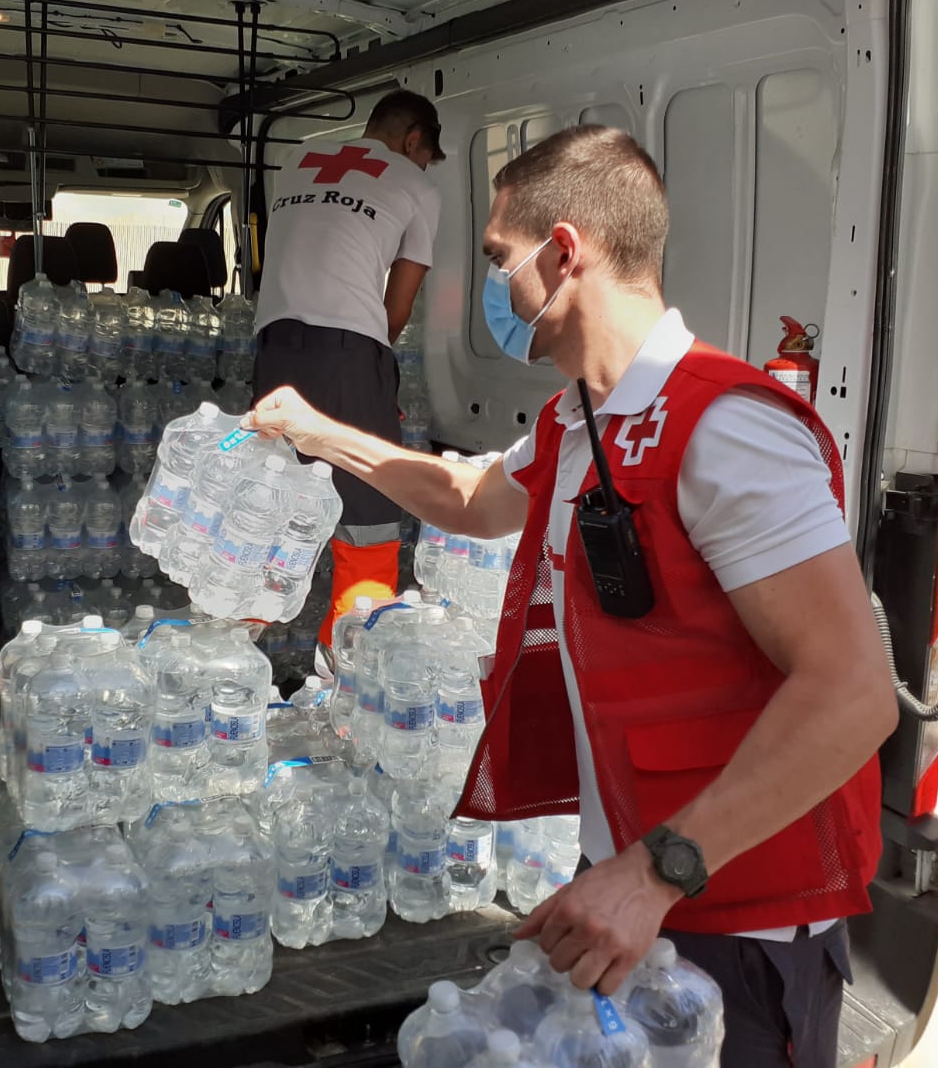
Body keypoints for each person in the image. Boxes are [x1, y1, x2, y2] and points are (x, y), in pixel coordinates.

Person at [244, 125, 896, 1067]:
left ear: (564, 251)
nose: (498, 288)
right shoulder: (580, 420)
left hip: (732, 913)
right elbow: (467, 500)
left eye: (501, 259)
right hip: (634, 882)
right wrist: (319, 430)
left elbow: (851, 691)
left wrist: (656, 872)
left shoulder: (727, 426)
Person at [251, 89, 444, 652]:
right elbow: (399, 305)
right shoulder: (416, 185)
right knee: (368, 505)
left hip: (272, 346)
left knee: (269, 502)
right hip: (347, 350)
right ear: (413, 141)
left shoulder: (296, 163)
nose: (424, 165)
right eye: (426, 154)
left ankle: (234, 656)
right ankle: (352, 662)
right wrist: (369, 366)